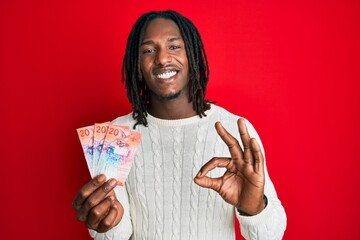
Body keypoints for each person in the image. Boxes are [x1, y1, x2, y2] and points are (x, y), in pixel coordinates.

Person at [72, 10, 287, 240]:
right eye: (148, 50)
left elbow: (271, 235)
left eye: (174, 46)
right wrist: (104, 225)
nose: (162, 58)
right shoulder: (116, 136)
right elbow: (117, 235)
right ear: (137, 66)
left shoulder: (233, 129)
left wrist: (254, 208)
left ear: (192, 55)